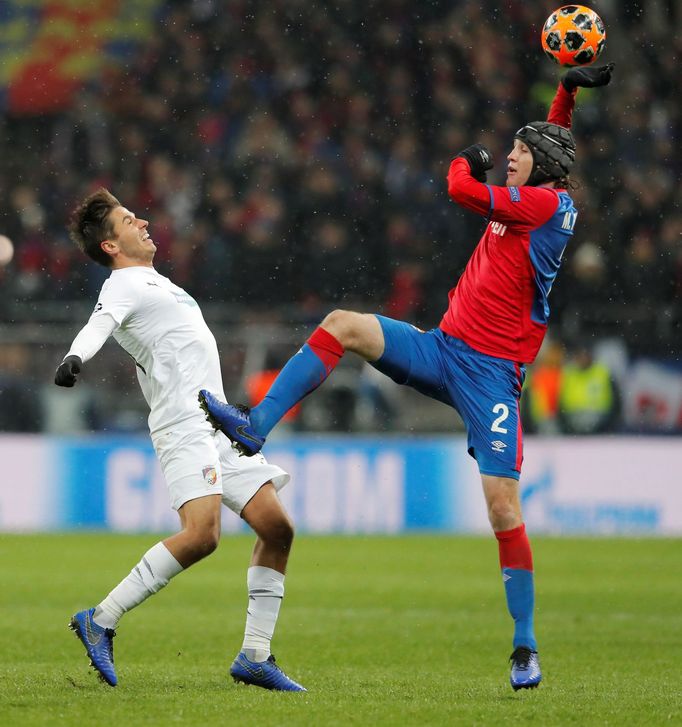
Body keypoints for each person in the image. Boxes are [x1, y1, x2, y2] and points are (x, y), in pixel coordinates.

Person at [199, 64, 615, 691]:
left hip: (493, 378)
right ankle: (255, 427)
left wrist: (461, 161)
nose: (508, 158)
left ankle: (525, 647)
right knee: (343, 324)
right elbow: (553, 137)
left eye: (518, 153)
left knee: (504, 510)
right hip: (443, 348)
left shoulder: (544, 205)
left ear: (543, 167)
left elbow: (462, 191)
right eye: (508, 152)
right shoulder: (542, 188)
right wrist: (569, 90)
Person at [55, 189, 305, 691]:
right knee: (202, 535)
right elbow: (98, 322)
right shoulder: (123, 283)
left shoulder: (155, 282)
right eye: (129, 219)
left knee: (277, 528)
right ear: (111, 245)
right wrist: (74, 359)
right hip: (183, 426)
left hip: (217, 426)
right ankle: (100, 619)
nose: (143, 221)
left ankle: (255, 656)